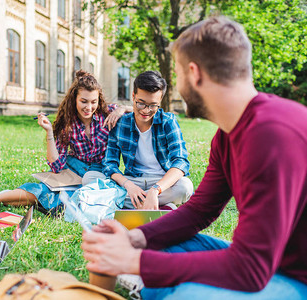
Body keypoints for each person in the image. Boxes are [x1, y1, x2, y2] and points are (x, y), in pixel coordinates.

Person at [82, 16, 307, 299]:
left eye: (176, 75)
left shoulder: (271, 133)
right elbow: (199, 211)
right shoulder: (227, 136)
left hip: (293, 278)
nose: (176, 85)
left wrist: (134, 262)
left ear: (194, 72)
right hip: (267, 267)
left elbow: (250, 269)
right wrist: (135, 238)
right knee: (155, 244)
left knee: (187, 293)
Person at [0, 70, 130, 212]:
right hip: (73, 172)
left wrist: (121, 109)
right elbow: (56, 165)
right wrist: (49, 133)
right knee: (41, 193)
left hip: (99, 174)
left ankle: (9, 196)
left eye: (93, 102)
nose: (88, 107)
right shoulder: (67, 123)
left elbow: (138, 109)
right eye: (83, 101)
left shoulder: (108, 113)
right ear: (74, 99)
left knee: (67, 203)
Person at [103, 71, 193, 210]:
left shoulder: (168, 122)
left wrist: (155, 190)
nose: (146, 110)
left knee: (185, 186)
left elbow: (180, 162)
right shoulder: (120, 124)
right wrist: (129, 186)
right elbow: (110, 165)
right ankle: (160, 206)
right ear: (133, 96)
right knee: (95, 183)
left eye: (153, 105)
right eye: (141, 103)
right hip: (133, 181)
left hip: (161, 182)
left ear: (160, 102)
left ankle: (136, 204)